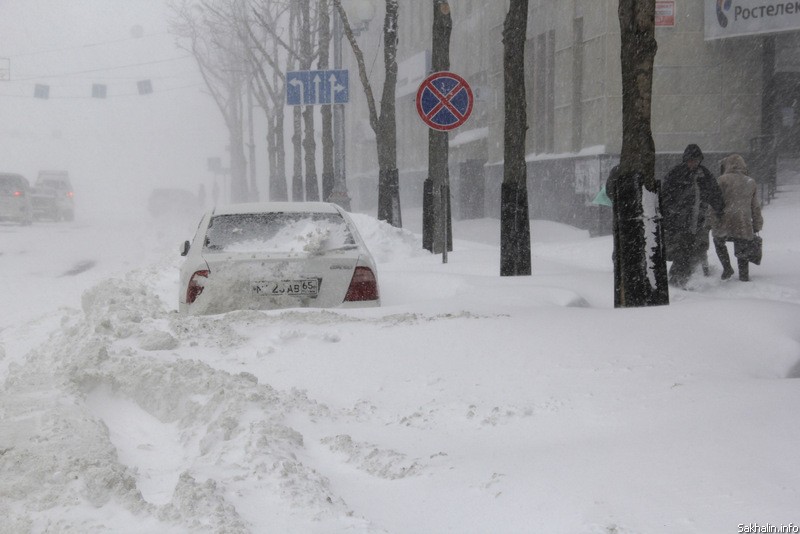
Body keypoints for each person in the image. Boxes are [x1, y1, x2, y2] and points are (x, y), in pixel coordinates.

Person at [660, 144, 724, 288]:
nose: (693, 163)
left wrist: (719, 209)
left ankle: (679, 282)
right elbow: (665, 196)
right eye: (691, 160)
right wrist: (669, 215)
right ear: (685, 159)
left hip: (698, 222)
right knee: (682, 251)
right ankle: (677, 282)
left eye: (696, 160)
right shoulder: (676, 174)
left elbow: (715, 193)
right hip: (679, 222)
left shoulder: (704, 174)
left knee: (694, 252)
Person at [711, 154, 763, 281]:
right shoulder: (750, 182)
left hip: (724, 220)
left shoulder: (722, 180)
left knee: (718, 241)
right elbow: (755, 206)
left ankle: (727, 267)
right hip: (743, 221)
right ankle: (743, 275)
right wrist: (757, 224)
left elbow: (714, 203)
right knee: (742, 246)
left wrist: (710, 221)